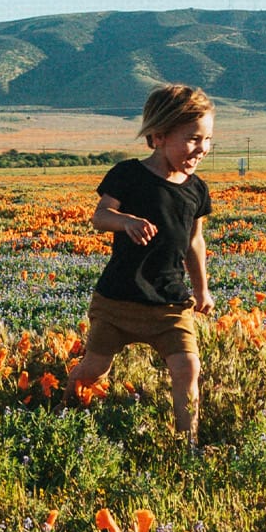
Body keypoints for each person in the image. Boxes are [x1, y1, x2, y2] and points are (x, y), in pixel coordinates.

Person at [48, 79, 221, 442]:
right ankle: (60, 416)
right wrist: (125, 221)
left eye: (207, 138)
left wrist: (202, 289)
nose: (202, 147)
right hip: (119, 299)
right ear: (158, 137)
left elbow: (195, 240)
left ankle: (187, 443)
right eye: (192, 138)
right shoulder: (128, 175)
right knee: (95, 368)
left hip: (169, 303)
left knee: (188, 367)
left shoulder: (196, 189)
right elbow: (100, 217)